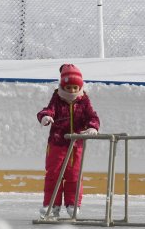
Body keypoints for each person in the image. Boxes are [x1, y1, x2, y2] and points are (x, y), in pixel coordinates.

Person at [37, 64, 100, 218]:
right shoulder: (57, 98)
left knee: (74, 175)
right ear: (63, 86)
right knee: (54, 174)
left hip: (76, 144)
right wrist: (45, 116)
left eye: (74, 87)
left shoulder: (83, 100)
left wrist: (93, 127)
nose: (71, 91)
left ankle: (73, 204)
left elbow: (93, 117)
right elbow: (48, 110)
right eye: (68, 87)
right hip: (57, 143)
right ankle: (52, 205)